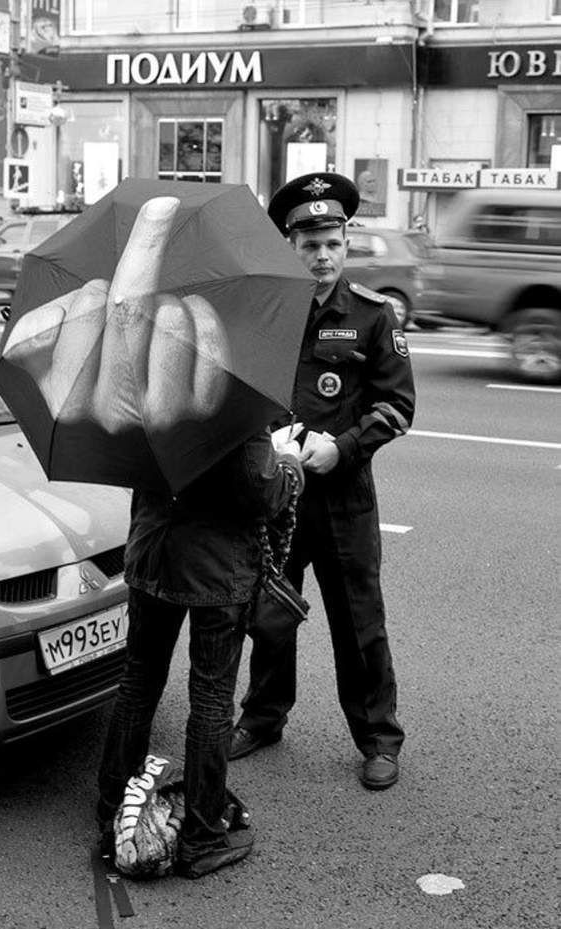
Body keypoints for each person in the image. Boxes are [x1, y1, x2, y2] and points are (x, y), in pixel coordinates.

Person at [230, 172, 416, 791]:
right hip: (278, 495)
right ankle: (262, 718)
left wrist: (345, 448)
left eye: (332, 242)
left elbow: (397, 406)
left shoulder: (371, 316)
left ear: (345, 243)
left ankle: (378, 739)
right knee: (271, 615)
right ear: (289, 245)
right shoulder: (264, 314)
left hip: (343, 499)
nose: (322, 256)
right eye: (309, 244)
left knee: (359, 621)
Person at [97, 427, 304, 879]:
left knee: (137, 683)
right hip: (216, 566)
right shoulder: (234, 402)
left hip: (153, 550)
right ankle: (203, 837)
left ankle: (114, 810)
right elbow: (262, 492)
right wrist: (289, 463)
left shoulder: (145, 389)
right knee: (211, 700)